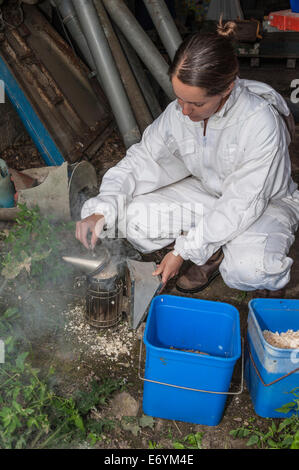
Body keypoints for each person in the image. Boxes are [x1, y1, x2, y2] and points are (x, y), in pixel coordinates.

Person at [76, 19, 299, 297]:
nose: (184, 111)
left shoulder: (259, 122)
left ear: (227, 89)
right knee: (126, 218)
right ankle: (213, 248)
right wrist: (101, 209)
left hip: (263, 204)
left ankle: (234, 260)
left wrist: (183, 252)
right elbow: (142, 160)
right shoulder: (179, 113)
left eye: (196, 104)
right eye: (179, 98)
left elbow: (241, 204)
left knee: (248, 268)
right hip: (208, 193)